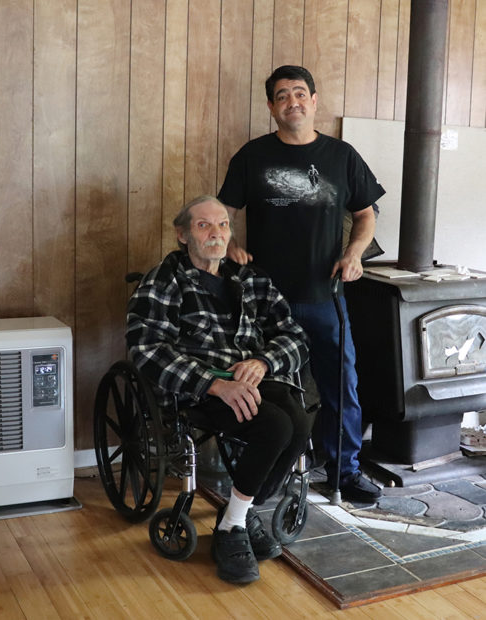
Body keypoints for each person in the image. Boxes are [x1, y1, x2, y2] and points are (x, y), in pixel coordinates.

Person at [218, 65, 385, 504]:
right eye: (282, 95)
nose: (292, 101)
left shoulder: (342, 156)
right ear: (271, 107)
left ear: (313, 101)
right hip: (264, 302)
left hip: (324, 295)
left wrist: (354, 253)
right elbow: (221, 214)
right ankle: (258, 472)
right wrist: (230, 245)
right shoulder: (251, 156)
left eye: (298, 93)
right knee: (259, 382)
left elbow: (365, 214)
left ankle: (344, 471)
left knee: (341, 384)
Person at [126, 195, 312, 584]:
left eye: (223, 224)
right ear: (182, 235)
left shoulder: (252, 280)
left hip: (253, 378)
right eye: (204, 225)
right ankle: (234, 527)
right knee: (275, 427)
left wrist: (264, 362)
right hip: (198, 388)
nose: (217, 233)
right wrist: (212, 384)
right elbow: (146, 349)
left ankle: (236, 517)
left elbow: (294, 335)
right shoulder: (164, 280)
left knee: (298, 423)